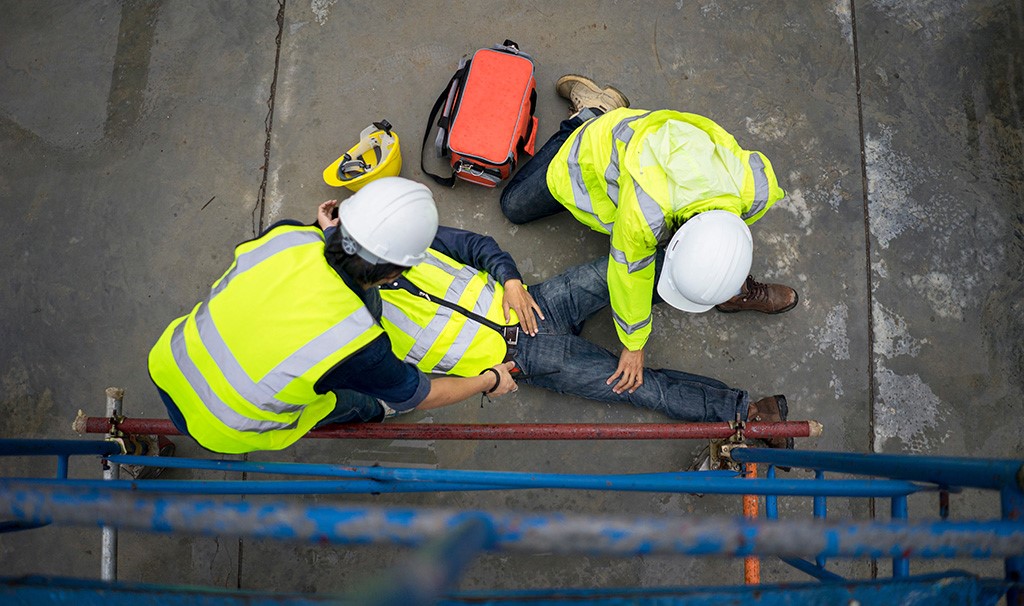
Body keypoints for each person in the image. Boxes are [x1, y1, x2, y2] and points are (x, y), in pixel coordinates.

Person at [147, 177, 517, 454]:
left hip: (171, 360)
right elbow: (423, 395)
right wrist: (489, 380)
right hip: (225, 424)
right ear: (392, 275)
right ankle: (375, 410)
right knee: (350, 399)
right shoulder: (358, 341)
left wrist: (328, 235)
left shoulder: (287, 235)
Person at [500, 75, 799, 396]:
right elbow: (629, 275)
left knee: (701, 260)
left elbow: (727, 235)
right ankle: (592, 113)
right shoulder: (644, 214)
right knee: (514, 206)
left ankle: (732, 289)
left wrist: (723, 268)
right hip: (590, 152)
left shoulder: (756, 188)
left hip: (651, 152)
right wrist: (633, 344)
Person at [376, 225, 793, 448]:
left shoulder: (390, 238)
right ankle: (750, 413)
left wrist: (511, 281)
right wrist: (489, 380)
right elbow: (411, 394)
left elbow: (474, 245)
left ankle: (724, 286)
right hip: (523, 360)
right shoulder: (357, 336)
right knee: (640, 387)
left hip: (536, 301)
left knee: (629, 269)